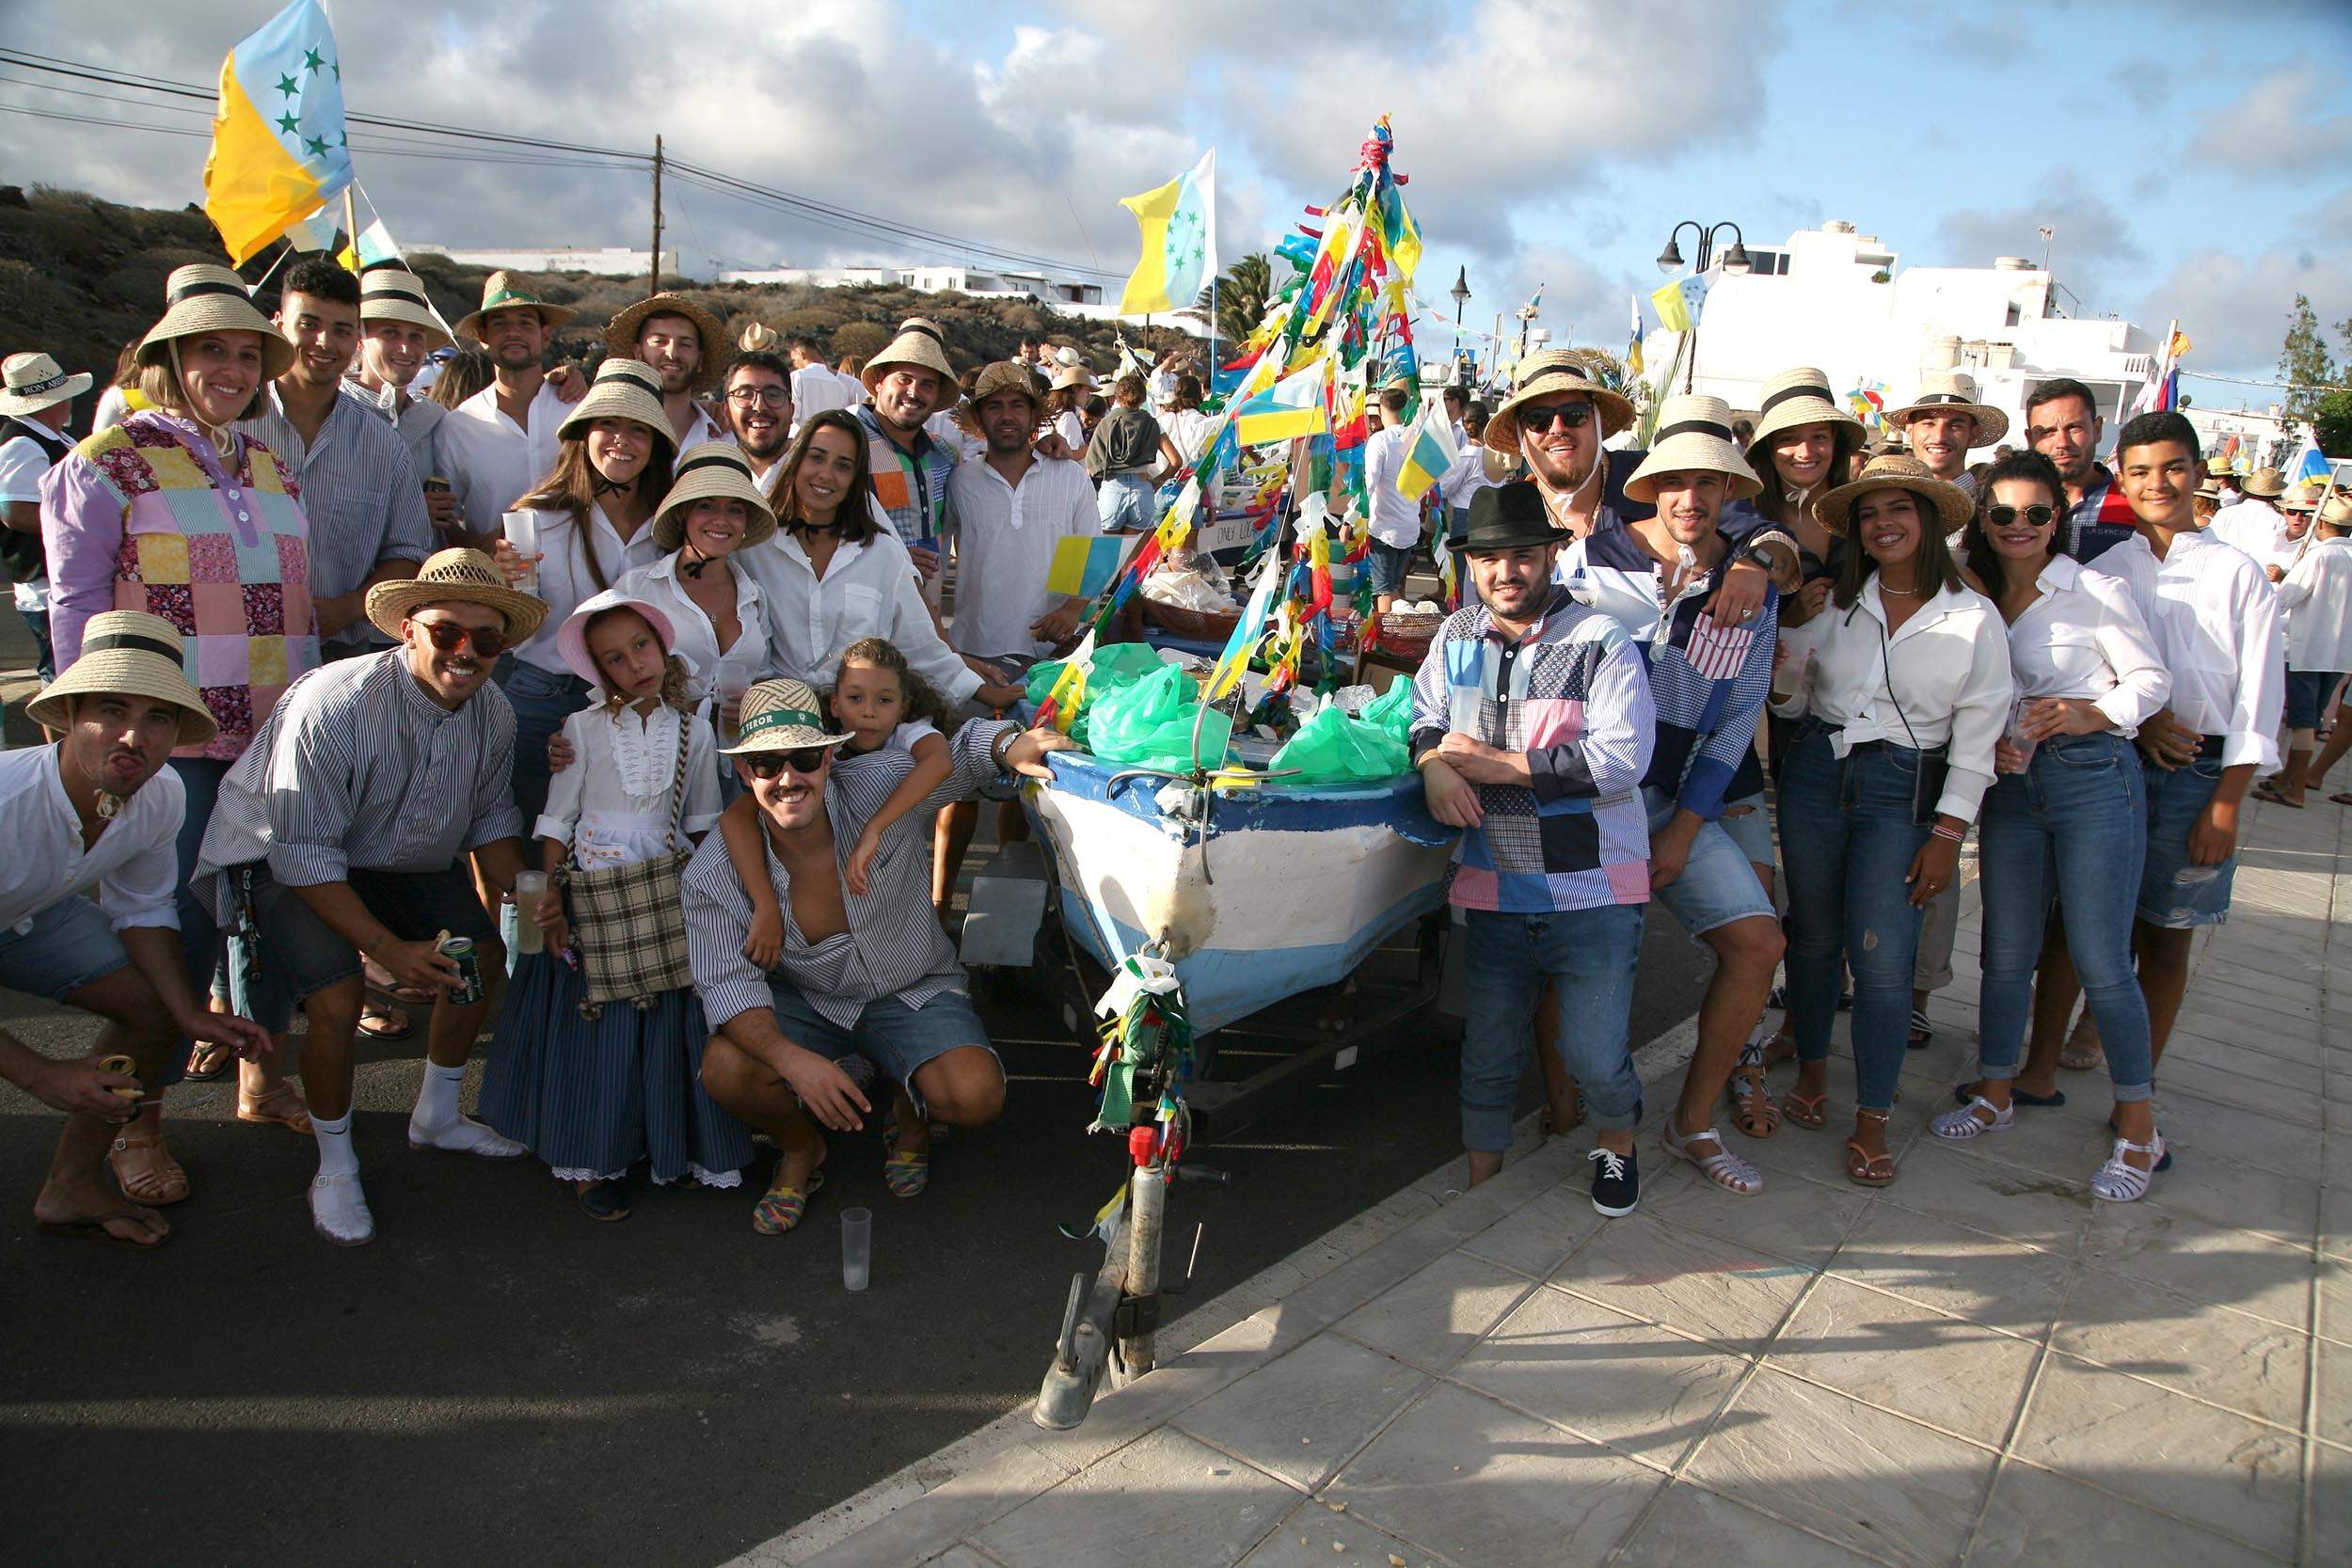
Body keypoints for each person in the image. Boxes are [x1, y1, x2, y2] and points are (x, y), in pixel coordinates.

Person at [40, 263, 325, 1199]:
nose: (234, 369)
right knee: (173, 937)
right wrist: (91, 728)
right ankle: (135, 1125)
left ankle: (261, 1074)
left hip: (275, 729)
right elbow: (78, 607)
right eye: (213, 350)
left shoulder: (271, 463)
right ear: (171, 357)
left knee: (275, 914)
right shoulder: (105, 460)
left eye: (248, 354)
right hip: (174, 739)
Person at [191, 548, 547, 1244]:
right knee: (336, 997)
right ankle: (334, 1162)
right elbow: (301, 851)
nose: (467, 652)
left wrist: (537, 894)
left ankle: (437, 1116)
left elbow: (490, 821)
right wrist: (385, 947)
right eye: (447, 632)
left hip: (389, 852)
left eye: (487, 638)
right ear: (408, 628)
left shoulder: (495, 712)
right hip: (280, 852)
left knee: (479, 955)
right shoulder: (336, 700)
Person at [684, 679, 1068, 1232]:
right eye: (767, 764)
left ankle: (908, 1113)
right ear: (745, 774)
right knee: (725, 1068)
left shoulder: (877, 786)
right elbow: (726, 985)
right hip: (811, 1000)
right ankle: (800, 1149)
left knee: (975, 1097)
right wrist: (793, 1061)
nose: (789, 778)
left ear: (830, 758)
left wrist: (1007, 744)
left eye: (805, 758)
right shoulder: (713, 871)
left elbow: (963, 755)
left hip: (911, 986)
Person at [1931, 451, 2173, 1201]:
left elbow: (2152, 679)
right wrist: (2000, 733)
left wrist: (2088, 711)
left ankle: (2140, 1128)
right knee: (2003, 953)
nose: (2019, 527)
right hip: (2012, 785)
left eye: (2036, 513)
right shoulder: (1969, 594)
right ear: (1983, 520)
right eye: (2002, 513)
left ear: (2057, 518)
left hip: (2094, 778)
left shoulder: (2092, 588)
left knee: (2102, 957)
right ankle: (1996, 1091)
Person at [1409, 483, 1657, 1214]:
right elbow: (1425, 714)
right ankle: (1484, 1184)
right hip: (1493, 887)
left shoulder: (1600, 639)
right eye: (1489, 558)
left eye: (1521, 554)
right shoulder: (1455, 636)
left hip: (1596, 890)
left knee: (1592, 1054)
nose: (1505, 571)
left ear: (1552, 554)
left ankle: (1618, 1140)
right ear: (1471, 565)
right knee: (1486, 1049)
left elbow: (1624, 758)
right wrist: (1431, 765)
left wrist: (1495, 764)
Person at [1767, 454, 2010, 1187]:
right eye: (1870, 513)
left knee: (1881, 954)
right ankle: (1812, 1073)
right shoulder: (1833, 601)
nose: (1884, 524)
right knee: (1808, 936)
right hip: (1817, 768)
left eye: (1900, 508)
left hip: (1906, 786)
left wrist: (1948, 832)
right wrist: (1787, 657)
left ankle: (1872, 1114)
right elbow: (1789, 705)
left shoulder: (1972, 616)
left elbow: (1978, 737)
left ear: (1931, 519)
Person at [1574, 398, 1787, 1195]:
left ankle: (1690, 1117)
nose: (1691, 498)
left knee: (1761, 943)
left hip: (1668, 801)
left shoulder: (1749, 585)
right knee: (1594, 967)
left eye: (1710, 482)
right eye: (1675, 481)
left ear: (1731, 490)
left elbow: (1734, 723)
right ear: (1651, 485)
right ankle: (1597, 1125)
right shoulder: (1592, 565)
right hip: (1586, 800)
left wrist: (1684, 829)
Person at [6, 614, 273, 1247]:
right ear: (68, 715)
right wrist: (41, 1073)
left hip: (29, 914)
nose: (134, 735)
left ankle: (71, 1183)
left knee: (153, 1009)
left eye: (158, 718)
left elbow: (143, 908)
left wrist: (189, 1013)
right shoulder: (7, 804)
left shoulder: (163, 794)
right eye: (111, 709)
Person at [478, 590, 745, 1219]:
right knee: (597, 1032)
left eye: (641, 647)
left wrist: (722, 902)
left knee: (667, 1024)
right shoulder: (580, 729)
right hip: (591, 892)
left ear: (662, 644)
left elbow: (704, 821)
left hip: (662, 891)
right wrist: (548, 906)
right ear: (599, 672)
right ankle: (592, 1158)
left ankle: (668, 1147)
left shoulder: (694, 730)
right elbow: (555, 820)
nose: (634, 664)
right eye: (615, 659)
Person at [496, 356, 677, 828]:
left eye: (638, 429)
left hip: (632, 701)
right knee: (535, 838)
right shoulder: (536, 517)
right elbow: (515, 629)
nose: (622, 440)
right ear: (585, 434)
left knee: (610, 841)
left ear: (656, 443)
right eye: (608, 425)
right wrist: (503, 581)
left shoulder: (671, 524)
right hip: (541, 695)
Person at [735, 408, 1013, 710]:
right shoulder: (755, 547)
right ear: (795, 461)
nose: (826, 474)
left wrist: (983, 693)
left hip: (863, 727)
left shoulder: (880, 553)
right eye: (816, 457)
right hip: (781, 725)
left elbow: (920, 645)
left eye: (843, 466)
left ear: (856, 479)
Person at [719, 639, 959, 978]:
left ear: (903, 707)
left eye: (884, 700)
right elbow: (736, 815)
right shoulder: (818, 740)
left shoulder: (907, 735)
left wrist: (874, 828)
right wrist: (766, 903)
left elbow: (939, 760)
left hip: (891, 881)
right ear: (834, 704)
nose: (868, 711)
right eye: (855, 698)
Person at [237, 258, 434, 660]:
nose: (325, 342)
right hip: (235, 647)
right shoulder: (235, 426)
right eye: (309, 324)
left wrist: (346, 609)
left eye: (341, 330)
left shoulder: (382, 442)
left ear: (356, 340)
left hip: (342, 656)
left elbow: (409, 550)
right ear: (279, 324)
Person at [613, 445, 778, 749]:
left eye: (735, 509)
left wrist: (753, 704)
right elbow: (608, 681)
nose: (721, 520)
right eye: (706, 505)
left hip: (738, 760)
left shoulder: (754, 596)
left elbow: (762, 678)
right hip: (654, 756)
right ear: (682, 515)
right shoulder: (639, 589)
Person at [435, 271, 578, 545]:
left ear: (545, 335)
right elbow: (444, 520)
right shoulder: (459, 425)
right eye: (500, 324)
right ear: (483, 336)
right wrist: (487, 547)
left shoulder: (577, 409)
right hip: (495, 583)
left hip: (581, 583)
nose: (513, 332)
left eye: (525, 323)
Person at [1744, 366, 1866, 630]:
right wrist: (1787, 621)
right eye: (1789, 438)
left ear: (1836, 444)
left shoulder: (1861, 510)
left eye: (1819, 437)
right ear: (1769, 448)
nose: (1806, 452)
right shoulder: (1744, 520)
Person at [0, 350, 92, 680]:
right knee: (61, 678)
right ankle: (60, 735)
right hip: (45, 584)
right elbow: (12, 511)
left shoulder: (49, 440)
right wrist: (79, 525)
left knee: (69, 674)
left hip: (58, 580)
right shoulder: (23, 443)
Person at [352, 267, 457, 539]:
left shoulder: (433, 418)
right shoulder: (330, 411)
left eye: (416, 337)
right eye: (390, 333)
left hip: (428, 577)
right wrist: (411, 510)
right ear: (359, 338)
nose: (405, 348)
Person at [2267, 494, 2352, 805]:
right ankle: (2291, 776)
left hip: (2309, 650)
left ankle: (2296, 788)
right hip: (2339, 654)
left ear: (2324, 524)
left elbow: (2285, 598)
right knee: (2312, 718)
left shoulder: (2320, 557)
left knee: (2303, 721)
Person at [2019, 379, 2137, 564]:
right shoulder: (2012, 505)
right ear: (2030, 439)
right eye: (2048, 432)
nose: (2063, 442)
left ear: (2097, 429)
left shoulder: (2134, 504)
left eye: (2074, 428)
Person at [606, 293, 731, 454]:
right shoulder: (609, 436)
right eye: (660, 341)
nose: (672, 353)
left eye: (685, 344)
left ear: (700, 361)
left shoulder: (725, 437)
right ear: (637, 353)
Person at [1360, 382, 1427, 614]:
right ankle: (1393, 637)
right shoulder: (1417, 438)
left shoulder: (1380, 441)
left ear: (1380, 409)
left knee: (1384, 590)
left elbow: (1369, 482)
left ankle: (1382, 643)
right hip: (1409, 524)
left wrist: (1352, 519)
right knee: (1394, 586)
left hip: (1384, 527)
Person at [1883, 369, 2007, 495]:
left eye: (1955, 426)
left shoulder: (1993, 504)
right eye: (1928, 423)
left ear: (1973, 434)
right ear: (1910, 428)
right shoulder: (1892, 498)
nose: (1939, 437)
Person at [1085, 372, 1163, 535]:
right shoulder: (1151, 423)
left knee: (1107, 556)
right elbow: (1176, 461)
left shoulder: (1106, 422)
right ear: (1142, 397)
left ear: (1118, 396)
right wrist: (1156, 482)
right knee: (1133, 558)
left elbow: (1091, 467)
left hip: (1113, 488)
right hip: (1142, 491)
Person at [720, 349, 794, 492]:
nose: (759, 406)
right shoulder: (715, 474)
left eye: (773, 395)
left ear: (791, 410)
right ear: (727, 411)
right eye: (745, 394)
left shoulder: (814, 473)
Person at [788, 337, 850, 435]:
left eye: (794, 360)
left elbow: (791, 414)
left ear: (801, 354)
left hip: (801, 439)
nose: (795, 365)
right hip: (829, 440)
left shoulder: (797, 377)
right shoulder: (839, 385)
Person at [1045, 365, 1091, 452]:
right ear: (1076, 389)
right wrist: (1089, 447)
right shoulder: (1068, 417)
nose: (1088, 395)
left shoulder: (1054, 412)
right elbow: (1068, 454)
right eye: (1087, 390)